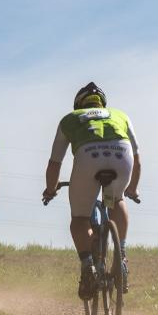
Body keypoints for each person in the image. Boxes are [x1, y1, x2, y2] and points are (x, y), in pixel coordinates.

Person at [43, 82, 141, 300]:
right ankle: (121, 256)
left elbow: (54, 163)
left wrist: (50, 190)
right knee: (117, 199)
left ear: (79, 104)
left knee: (80, 217)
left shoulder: (70, 118)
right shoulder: (120, 115)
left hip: (88, 158)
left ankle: (88, 267)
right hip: (122, 158)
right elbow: (138, 159)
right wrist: (132, 188)